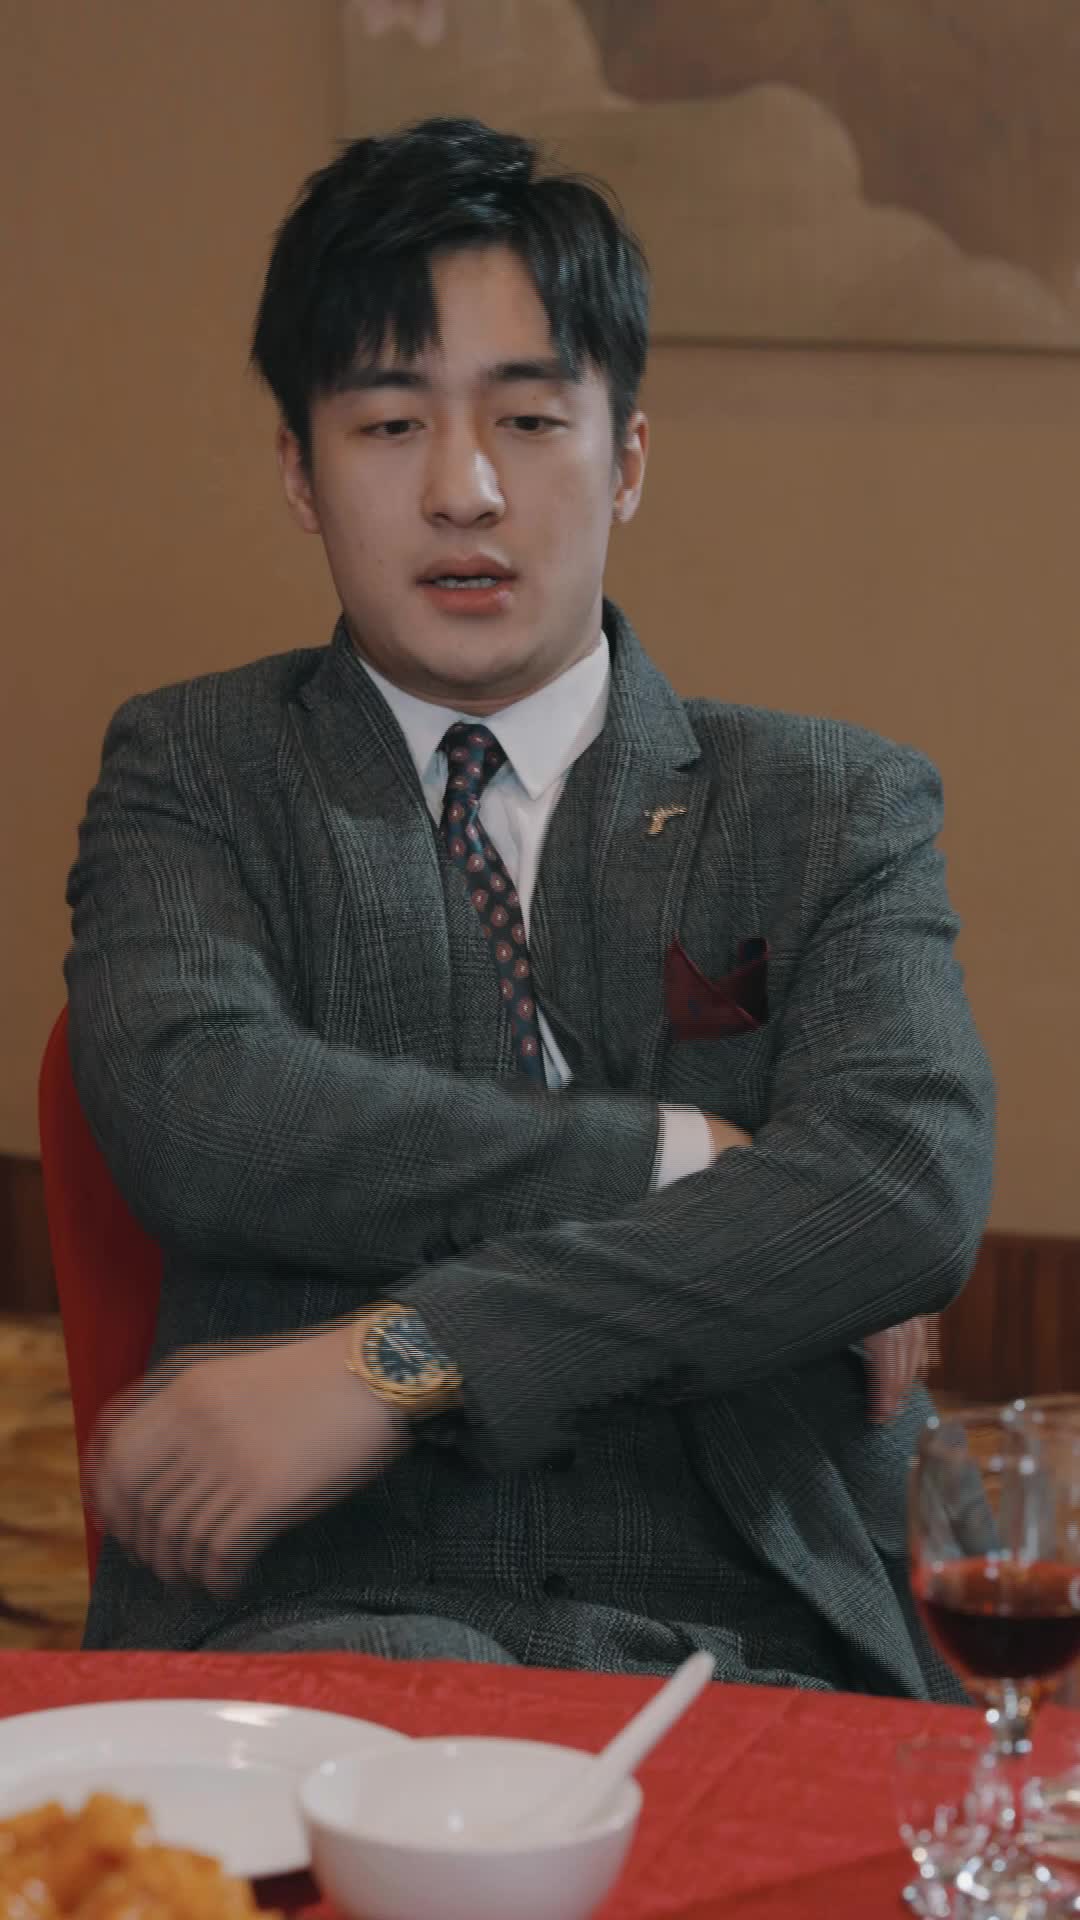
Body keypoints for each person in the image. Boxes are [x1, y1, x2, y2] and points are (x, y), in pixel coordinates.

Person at [65, 116, 993, 1693]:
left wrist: (405, 1359)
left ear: (625, 458)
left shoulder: (828, 804)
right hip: (321, 1611)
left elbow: (902, 1187)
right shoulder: (199, 768)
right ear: (298, 472)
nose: (466, 490)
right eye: (387, 424)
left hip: (751, 1619)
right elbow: (200, 1105)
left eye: (530, 419)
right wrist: (685, 1158)